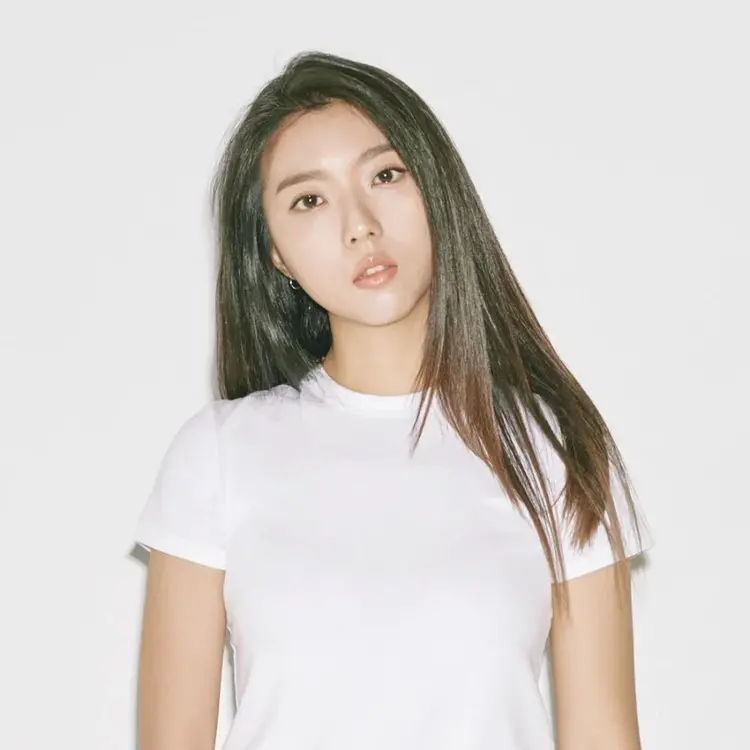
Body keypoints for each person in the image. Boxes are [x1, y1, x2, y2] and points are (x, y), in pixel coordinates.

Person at [134, 51, 654, 750]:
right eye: (308, 200)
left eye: (385, 175)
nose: (360, 224)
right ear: (277, 254)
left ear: (436, 189)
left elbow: (603, 736)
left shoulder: (551, 448)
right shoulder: (219, 454)